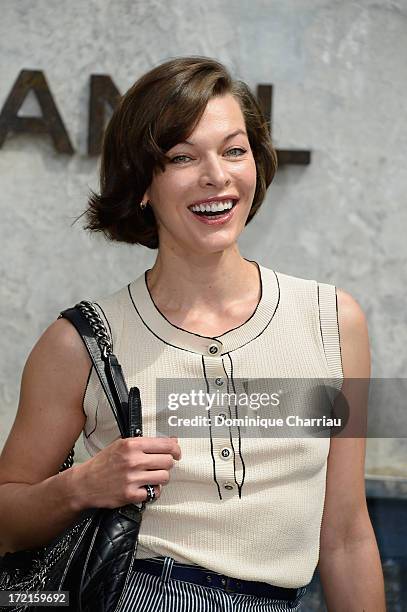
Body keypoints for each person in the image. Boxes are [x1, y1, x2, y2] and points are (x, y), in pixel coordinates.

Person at [0, 56, 386, 611]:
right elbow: (7, 521)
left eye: (234, 150)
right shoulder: (78, 343)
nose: (217, 176)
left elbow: (346, 534)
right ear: (141, 185)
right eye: (182, 157)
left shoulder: (334, 322)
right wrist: (82, 486)